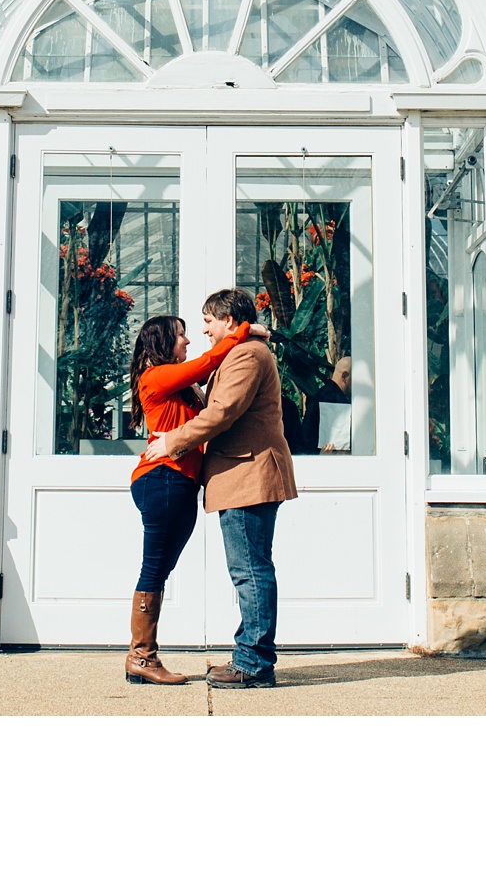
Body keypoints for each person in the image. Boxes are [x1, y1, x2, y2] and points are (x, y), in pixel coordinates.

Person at [145, 287, 297, 688]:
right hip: (240, 475)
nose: (204, 330)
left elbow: (223, 412)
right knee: (249, 570)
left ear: (229, 321)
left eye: (209, 321)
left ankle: (252, 665)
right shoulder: (244, 350)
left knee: (250, 572)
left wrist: (171, 441)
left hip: (249, 475)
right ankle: (251, 657)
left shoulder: (247, 355)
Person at [123, 311, 267, 685]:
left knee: (161, 569)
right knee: (154, 569)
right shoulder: (155, 376)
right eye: (181, 335)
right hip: (162, 480)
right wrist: (247, 330)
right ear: (162, 342)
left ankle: (143, 656)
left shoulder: (181, 386)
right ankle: (141, 657)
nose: (189, 341)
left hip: (179, 483)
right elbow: (209, 361)